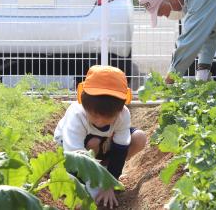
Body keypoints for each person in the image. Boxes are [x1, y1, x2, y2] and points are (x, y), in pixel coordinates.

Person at [54, 65, 147, 208]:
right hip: (72, 152)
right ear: (82, 101)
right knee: (93, 143)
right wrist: (94, 192)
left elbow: (120, 151)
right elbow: (76, 157)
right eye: (95, 116)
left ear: (120, 109)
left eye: (107, 118)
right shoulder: (76, 115)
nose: (99, 122)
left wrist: (109, 183)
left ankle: (103, 169)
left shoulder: (123, 115)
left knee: (139, 137)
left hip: (100, 146)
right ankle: (81, 180)